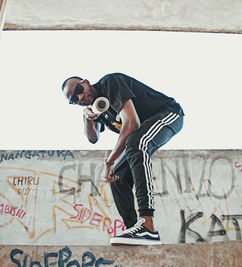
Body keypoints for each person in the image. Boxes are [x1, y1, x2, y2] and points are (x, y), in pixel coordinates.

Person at [62, 73, 184, 245]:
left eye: (79, 90)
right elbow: (93, 138)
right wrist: (88, 117)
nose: (80, 97)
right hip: (141, 132)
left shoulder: (110, 83)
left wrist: (109, 161)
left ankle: (147, 226)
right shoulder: (97, 107)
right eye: (74, 99)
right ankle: (134, 231)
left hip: (168, 113)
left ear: (87, 83)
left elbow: (132, 124)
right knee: (117, 176)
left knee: (135, 142)